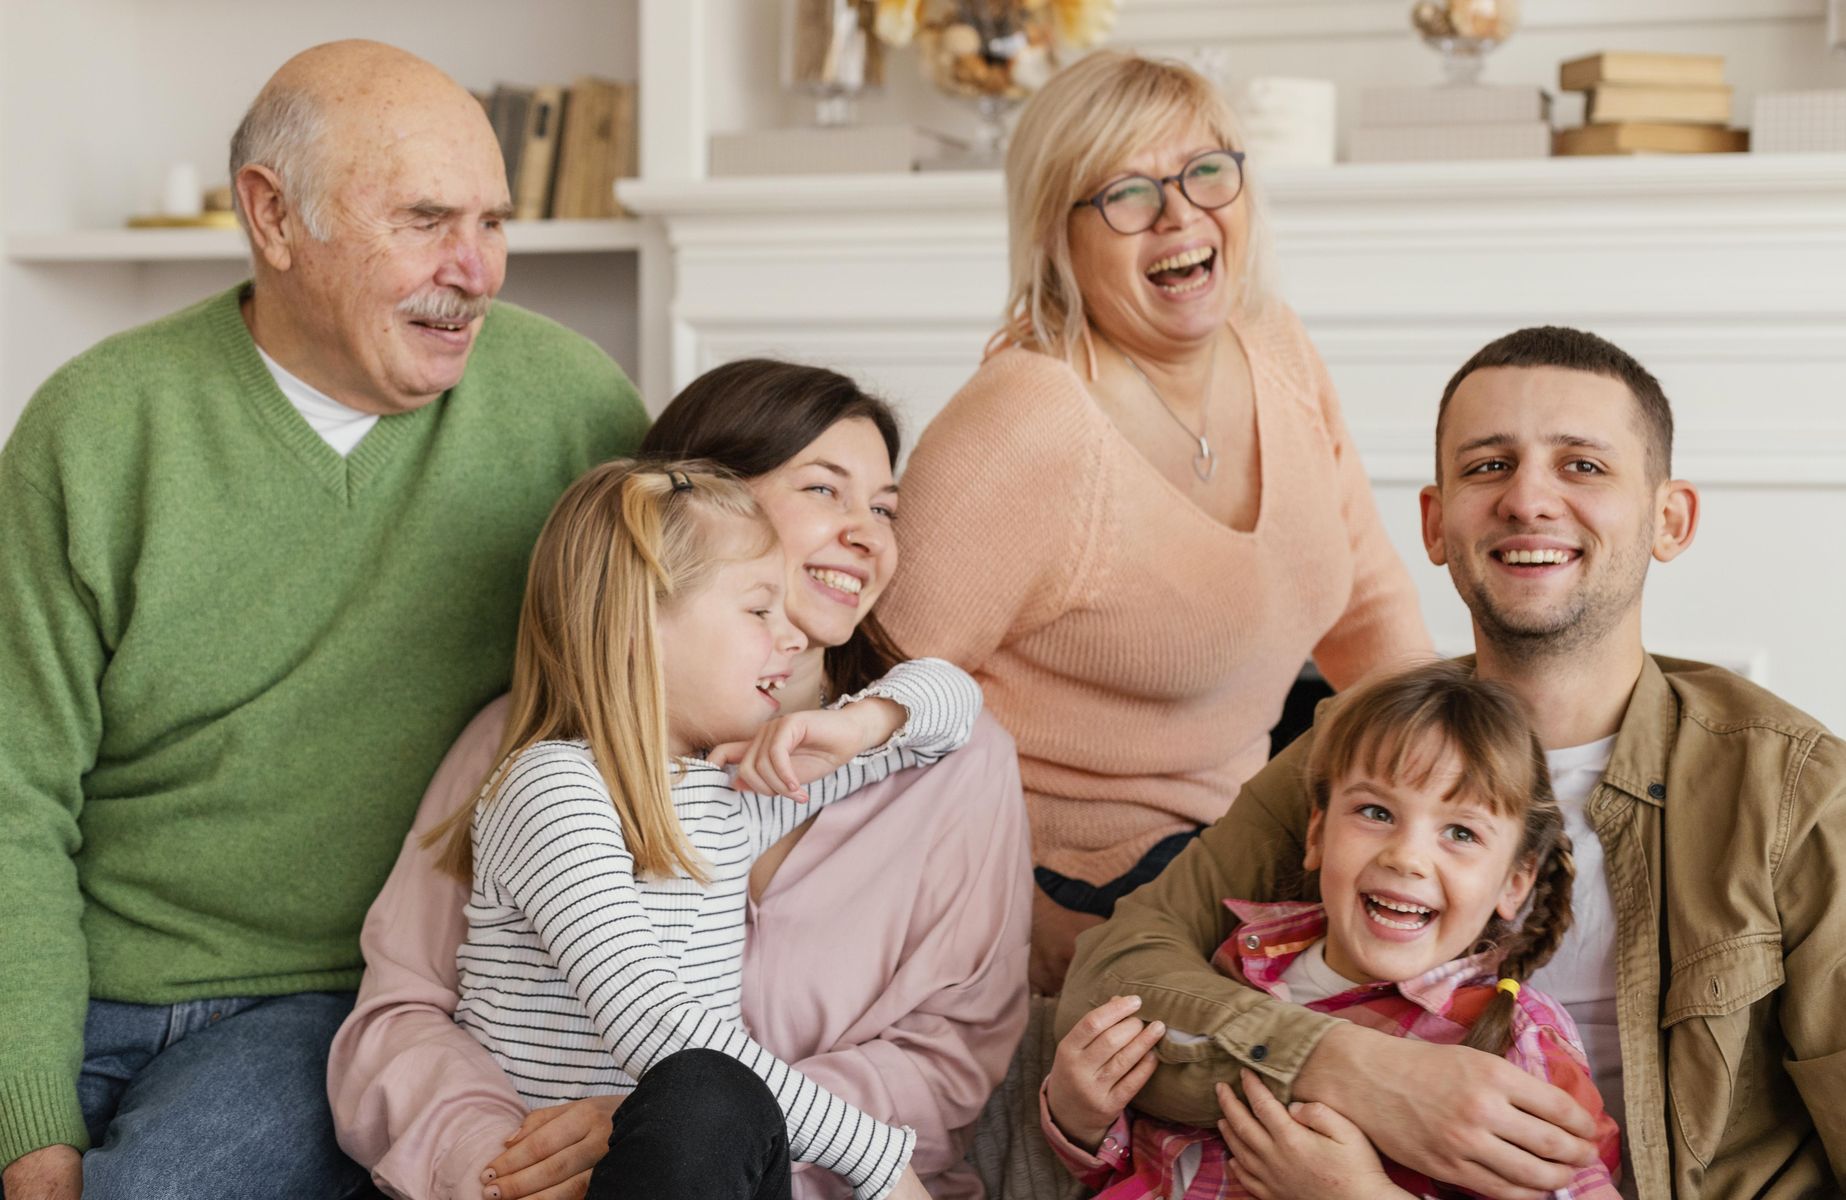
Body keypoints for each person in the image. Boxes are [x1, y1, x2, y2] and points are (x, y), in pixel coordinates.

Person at [0, 39, 647, 1200]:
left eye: (493, 222)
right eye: (426, 218)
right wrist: (31, 1127)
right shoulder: (96, 428)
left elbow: (714, 675)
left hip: (330, 1000)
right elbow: (10, 793)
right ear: (272, 215)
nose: (477, 269)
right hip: (78, 971)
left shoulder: (574, 411)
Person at [1061, 326, 1846, 1199]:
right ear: (1436, 526)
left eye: (1582, 466)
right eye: (1487, 467)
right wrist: (1358, 1072)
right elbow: (1119, 970)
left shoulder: (1794, 791)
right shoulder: (1360, 746)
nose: (1528, 501)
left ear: (1670, 520)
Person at [328, 360, 1032, 1200]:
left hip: (783, 1178)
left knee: (700, 1104)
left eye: (884, 507)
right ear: (697, 506)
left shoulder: (891, 764)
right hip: (545, 1182)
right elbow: (403, 1019)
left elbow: (944, 1065)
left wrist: (863, 725)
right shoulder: (534, 758)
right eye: (824, 491)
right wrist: (506, 1159)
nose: (869, 535)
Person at [876, 49, 1431, 999]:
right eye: (1127, 193)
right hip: (1073, 875)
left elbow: (1366, 606)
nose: (1181, 214)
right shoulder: (1027, 422)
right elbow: (869, 705)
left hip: (1231, 847)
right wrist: (1017, 915)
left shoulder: (1278, 347)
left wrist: (1469, 782)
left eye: (1206, 172)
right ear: (1059, 233)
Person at [1043, 661, 1622, 1200]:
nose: (1408, 857)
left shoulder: (1518, 1043)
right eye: (1376, 813)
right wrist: (1082, 1120)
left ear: (1513, 882)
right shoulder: (1234, 963)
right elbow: (1154, 1164)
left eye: (1461, 833)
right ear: (1317, 832)